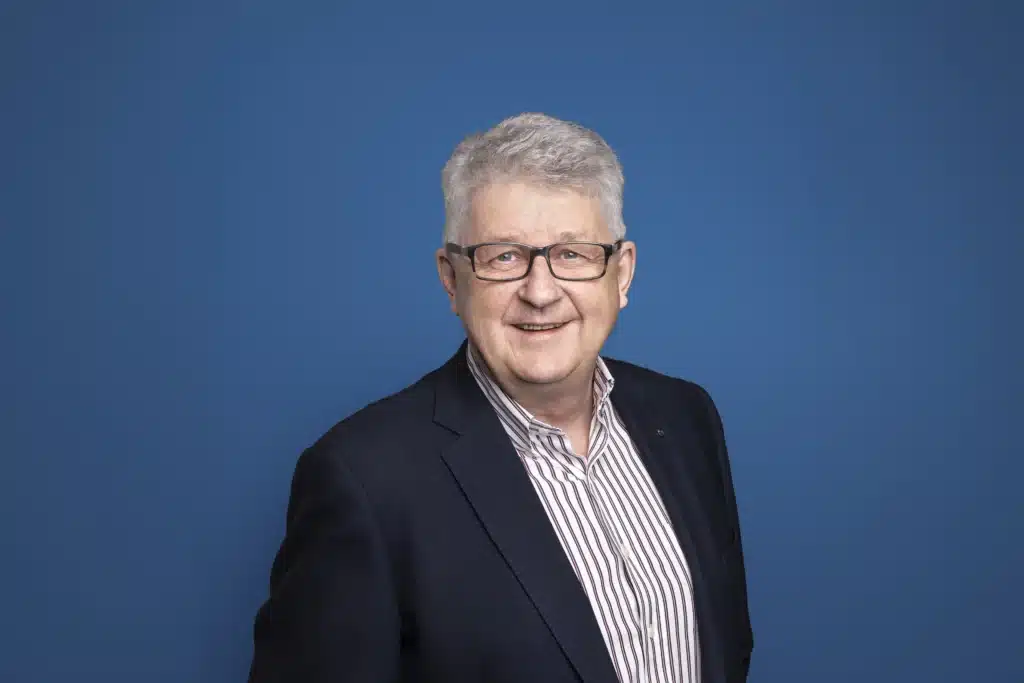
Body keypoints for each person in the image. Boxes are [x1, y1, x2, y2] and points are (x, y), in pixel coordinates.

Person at [248, 113, 754, 683]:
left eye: (573, 254)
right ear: (451, 278)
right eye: (503, 256)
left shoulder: (686, 419)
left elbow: (726, 646)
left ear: (622, 274)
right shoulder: (363, 480)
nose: (540, 292)